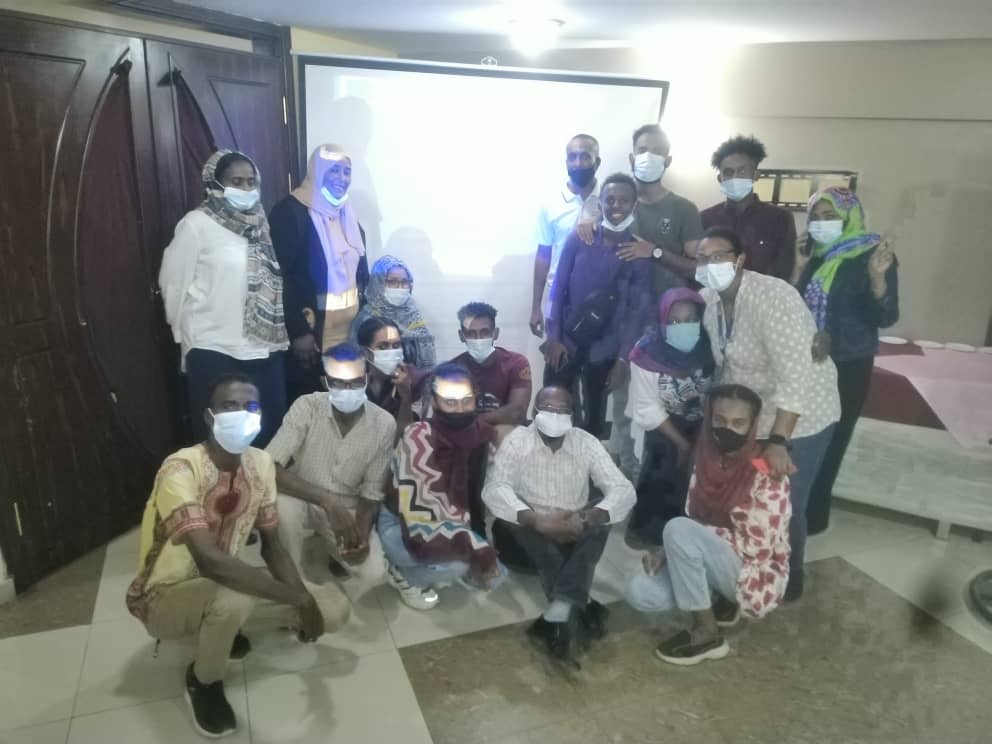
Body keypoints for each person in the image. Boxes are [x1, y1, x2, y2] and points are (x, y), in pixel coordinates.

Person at [126, 374, 349, 738]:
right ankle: (203, 681)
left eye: (251, 406)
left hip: (224, 583)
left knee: (334, 609)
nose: (242, 414)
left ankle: (224, 629)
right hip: (163, 597)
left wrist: (306, 599)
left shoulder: (260, 465)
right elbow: (210, 562)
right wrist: (297, 598)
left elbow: (273, 547)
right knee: (233, 598)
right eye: (229, 406)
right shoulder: (180, 469)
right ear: (209, 416)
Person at [695, 227, 839, 601]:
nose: (710, 265)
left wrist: (779, 441)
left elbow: (797, 374)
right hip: (753, 415)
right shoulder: (709, 301)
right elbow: (726, 362)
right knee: (748, 497)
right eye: (702, 258)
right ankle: (746, 569)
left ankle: (789, 578)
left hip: (803, 416)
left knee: (785, 500)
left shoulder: (773, 298)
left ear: (740, 260)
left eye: (719, 257)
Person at [625, 384, 791, 666]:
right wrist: (669, 552)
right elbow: (695, 519)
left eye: (738, 423)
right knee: (641, 592)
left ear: (752, 425)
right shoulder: (705, 458)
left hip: (754, 573)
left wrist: (682, 541)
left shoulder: (767, 470)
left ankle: (707, 633)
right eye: (720, 420)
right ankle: (719, 598)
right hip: (718, 559)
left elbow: (758, 548)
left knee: (678, 529)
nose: (727, 429)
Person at [577, 125, 703, 480]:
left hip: (669, 326)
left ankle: (652, 480)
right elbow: (588, 232)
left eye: (657, 151)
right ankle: (620, 477)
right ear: (632, 157)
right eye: (643, 149)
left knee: (659, 408)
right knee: (622, 407)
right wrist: (584, 223)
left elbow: (699, 267)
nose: (649, 157)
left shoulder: (683, 209)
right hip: (621, 324)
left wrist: (656, 251)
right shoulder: (610, 199)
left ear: (668, 160)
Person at [483, 385, 635, 662]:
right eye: (548, 409)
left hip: (575, 529)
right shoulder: (518, 441)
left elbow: (623, 489)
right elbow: (494, 489)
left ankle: (561, 607)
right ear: (534, 412)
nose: (554, 415)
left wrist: (589, 517)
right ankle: (580, 601)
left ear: (573, 416)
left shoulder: (585, 442)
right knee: (516, 511)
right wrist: (539, 521)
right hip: (527, 541)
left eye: (562, 410)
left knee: (604, 512)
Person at [159, 150, 289, 447]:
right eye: (236, 182)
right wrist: (184, 337)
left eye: (251, 182)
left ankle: (258, 479)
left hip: (262, 347)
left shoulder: (260, 224)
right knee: (218, 438)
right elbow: (173, 284)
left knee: (268, 435)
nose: (245, 189)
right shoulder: (196, 224)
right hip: (213, 347)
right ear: (215, 184)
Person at [794, 187, 899, 534]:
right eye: (815, 218)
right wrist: (798, 267)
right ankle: (789, 510)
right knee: (802, 434)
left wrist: (877, 278)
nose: (821, 224)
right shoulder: (814, 256)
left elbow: (886, 316)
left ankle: (813, 518)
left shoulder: (872, 254)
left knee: (833, 440)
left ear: (849, 217)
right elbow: (794, 305)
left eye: (830, 217)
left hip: (850, 362)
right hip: (809, 360)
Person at [266, 343, 395, 588]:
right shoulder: (307, 406)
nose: (348, 390)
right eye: (338, 382)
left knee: (373, 573)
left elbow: (371, 494)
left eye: (355, 382)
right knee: (281, 508)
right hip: (301, 495)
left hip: (349, 504)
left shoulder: (384, 423)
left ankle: (332, 549)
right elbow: (268, 466)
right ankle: (292, 580)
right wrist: (328, 501)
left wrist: (361, 535)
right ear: (325, 382)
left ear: (367, 378)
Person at [378, 363, 506, 609]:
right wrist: (474, 546)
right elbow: (421, 512)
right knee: (458, 564)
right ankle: (402, 574)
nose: (459, 409)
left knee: (486, 566)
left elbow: (487, 490)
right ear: (435, 403)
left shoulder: (484, 435)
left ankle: (435, 560)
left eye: (466, 401)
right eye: (450, 402)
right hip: (402, 524)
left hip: (452, 519)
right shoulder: (418, 436)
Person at [545, 172, 653, 439]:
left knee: (594, 420)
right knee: (554, 410)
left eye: (623, 201)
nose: (616, 206)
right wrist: (553, 337)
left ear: (634, 206)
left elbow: (637, 312)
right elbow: (558, 289)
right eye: (610, 199)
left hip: (606, 349)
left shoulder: (638, 253)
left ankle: (587, 463)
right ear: (600, 203)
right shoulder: (579, 239)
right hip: (566, 341)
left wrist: (622, 359)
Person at [269, 144, 370, 402]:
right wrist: (298, 331)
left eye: (347, 172)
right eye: (333, 170)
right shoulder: (291, 212)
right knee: (311, 404)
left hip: (347, 334)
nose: (342, 178)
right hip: (311, 336)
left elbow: (361, 274)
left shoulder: (348, 216)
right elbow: (280, 276)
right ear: (317, 171)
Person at [625, 288, 715, 547]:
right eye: (674, 321)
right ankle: (647, 533)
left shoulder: (709, 346)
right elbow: (647, 407)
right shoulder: (646, 352)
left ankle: (684, 535)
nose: (683, 327)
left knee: (695, 478)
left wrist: (702, 436)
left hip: (702, 421)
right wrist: (682, 443)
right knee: (661, 469)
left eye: (690, 320)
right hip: (663, 422)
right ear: (663, 320)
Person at [529, 134, 601, 338]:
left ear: (597, 162)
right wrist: (535, 307)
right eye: (572, 157)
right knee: (557, 354)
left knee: (601, 355)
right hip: (560, 296)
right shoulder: (550, 204)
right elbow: (543, 254)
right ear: (566, 162)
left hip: (602, 296)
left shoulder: (612, 199)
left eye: (585, 157)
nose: (578, 163)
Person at [700, 135, 797, 280]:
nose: (735, 177)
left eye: (743, 171)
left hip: (765, 293)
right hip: (715, 293)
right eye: (728, 172)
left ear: (756, 175)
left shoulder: (780, 218)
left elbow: (784, 270)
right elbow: (700, 267)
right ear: (720, 179)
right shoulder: (705, 218)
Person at [450, 302, 532, 426]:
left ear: (495, 333)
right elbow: (446, 415)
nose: (478, 339)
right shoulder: (452, 369)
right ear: (461, 336)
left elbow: (517, 413)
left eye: (484, 332)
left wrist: (474, 421)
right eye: (471, 333)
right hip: (465, 433)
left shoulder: (516, 363)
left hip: (505, 430)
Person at [351, 255, 436, 369]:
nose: (399, 287)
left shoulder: (412, 313)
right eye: (392, 281)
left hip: (413, 377)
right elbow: (357, 360)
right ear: (378, 283)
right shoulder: (367, 318)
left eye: (404, 281)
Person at [355, 316, 430, 436]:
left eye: (396, 346)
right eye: (382, 347)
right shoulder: (353, 378)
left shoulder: (417, 379)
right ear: (366, 352)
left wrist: (406, 396)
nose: (391, 352)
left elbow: (408, 435)